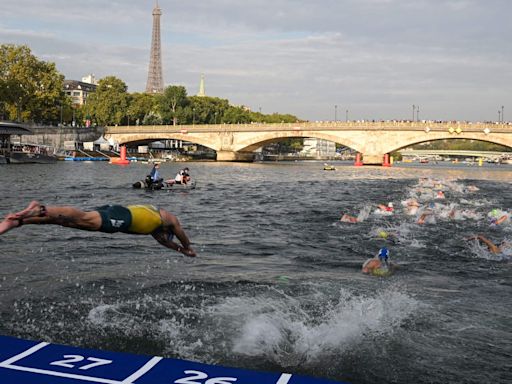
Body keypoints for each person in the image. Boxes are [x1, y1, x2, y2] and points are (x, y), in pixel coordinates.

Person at [0, 201, 197, 257]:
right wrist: (187, 246)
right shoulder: (165, 218)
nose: (165, 237)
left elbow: (170, 244)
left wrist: (182, 251)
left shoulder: (157, 233)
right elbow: (179, 230)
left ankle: (20, 222)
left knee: (67, 222)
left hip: (118, 216)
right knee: (81, 217)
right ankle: (40, 208)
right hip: (121, 217)